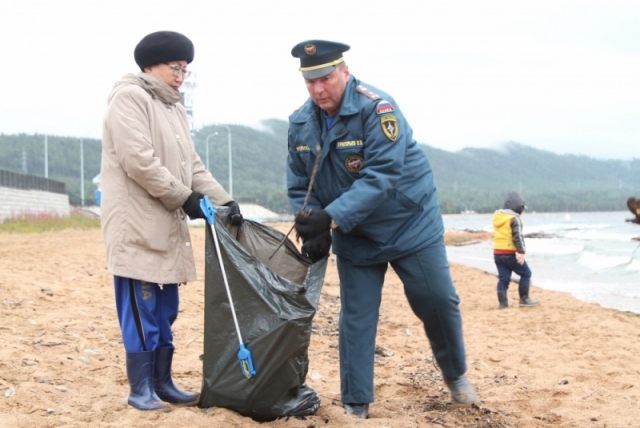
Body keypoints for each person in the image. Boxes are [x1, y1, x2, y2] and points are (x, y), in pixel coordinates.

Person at [286, 40, 477, 419]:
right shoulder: (300, 123)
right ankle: (356, 403)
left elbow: (382, 175)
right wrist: (314, 225)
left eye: (325, 79)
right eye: (310, 83)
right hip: (355, 234)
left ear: (344, 71)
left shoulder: (378, 108)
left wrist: (331, 217)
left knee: (437, 301)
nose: (318, 90)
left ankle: (455, 376)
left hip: (408, 222)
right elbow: (298, 183)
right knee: (356, 317)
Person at [100, 31, 243, 411]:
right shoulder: (129, 98)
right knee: (141, 307)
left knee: (166, 309)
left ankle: (163, 382)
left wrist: (223, 200)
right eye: (174, 67)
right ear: (150, 65)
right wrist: (186, 198)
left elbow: (190, 165)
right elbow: (139, 162)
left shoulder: (173, 108)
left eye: (186, 70)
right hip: (136, 227)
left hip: (165, 224)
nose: (181, 76)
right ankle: (140, 388)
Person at [493, 191, 539, 309]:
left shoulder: (498, 218)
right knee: (526, 273)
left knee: (504, 278)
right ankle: (524, 299)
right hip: (509, 253)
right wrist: (521, 252)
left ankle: (503, 303)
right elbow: (517, 237)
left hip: (497, 253)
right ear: (519, 208)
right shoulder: (514, 219)